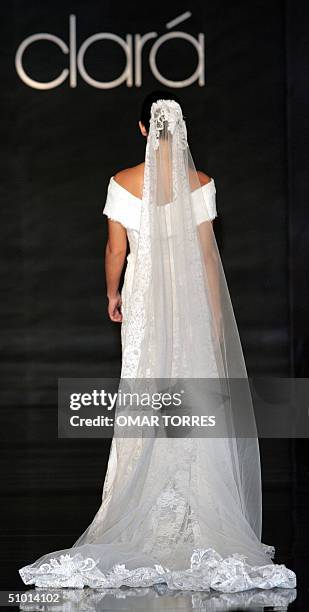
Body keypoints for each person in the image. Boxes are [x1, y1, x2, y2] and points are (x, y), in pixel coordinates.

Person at [19, 92, 296, 591]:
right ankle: (196, 510)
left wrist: (112, 293)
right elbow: (209, 258)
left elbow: (115, 248)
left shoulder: (122, 183)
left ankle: (140, 500)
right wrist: (215, 319)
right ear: (181, 129)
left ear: (143, 129)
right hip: (190, 301)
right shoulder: (201, 183)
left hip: (145, 299)